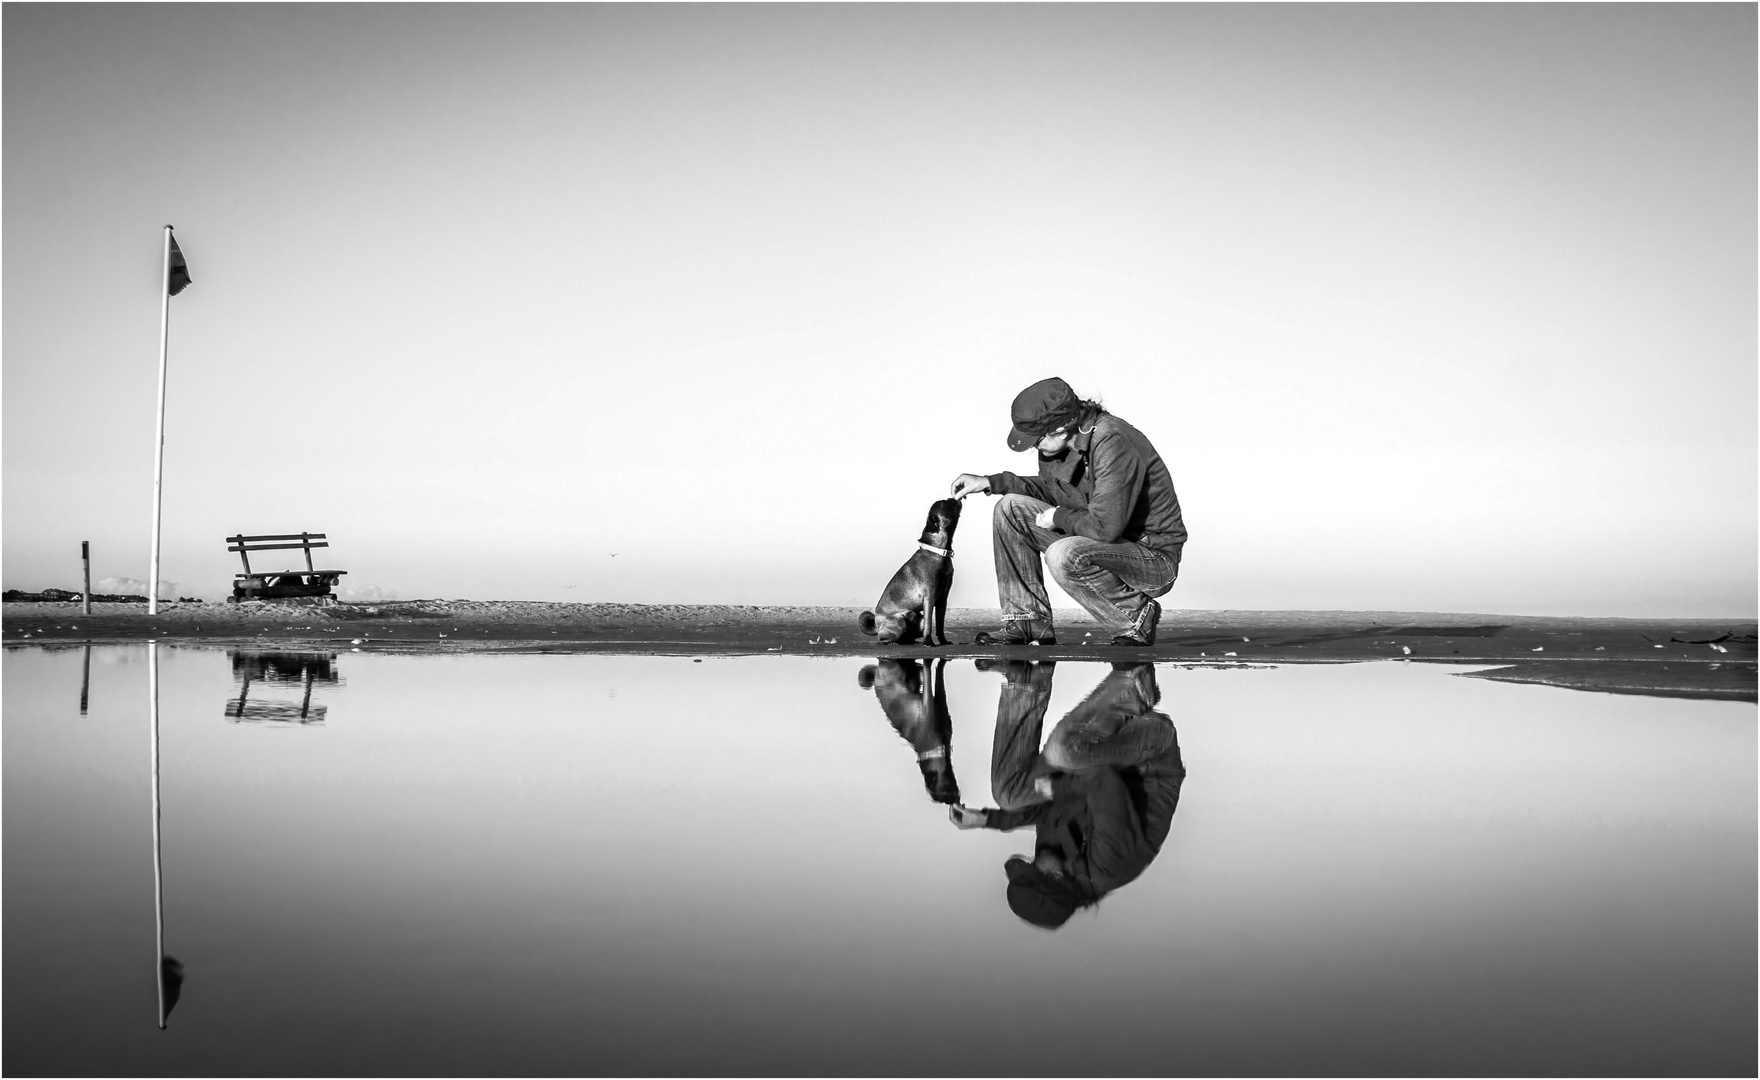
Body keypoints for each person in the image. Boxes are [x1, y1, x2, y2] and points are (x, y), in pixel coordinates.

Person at [949, 661, 1186, 929]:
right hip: (1148, 755)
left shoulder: (1056, 857)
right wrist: (1059, 788)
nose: (1031, 858)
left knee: (1008, 795)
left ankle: (1025, 684)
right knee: (1063, 752)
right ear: (1056, 878)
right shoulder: (1106, 867)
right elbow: (1105, 782)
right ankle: (1134, 687)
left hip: (1097, 775)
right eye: (1033, 866)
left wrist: (987, 820)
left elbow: (1050, 812)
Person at [950, 377, 1186, 646]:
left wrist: (1057, 517)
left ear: (1061, 428)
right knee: (1010, 508)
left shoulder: (1112, 440)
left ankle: (1135, 617)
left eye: (1035, 440)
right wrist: (992, 482)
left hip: (1150, 558)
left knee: (1062, 554)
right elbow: (1057, 492)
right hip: (1104, 545)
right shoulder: (1060, 446)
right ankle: (1028, 621)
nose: (1032, 447)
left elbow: (1105, 527)